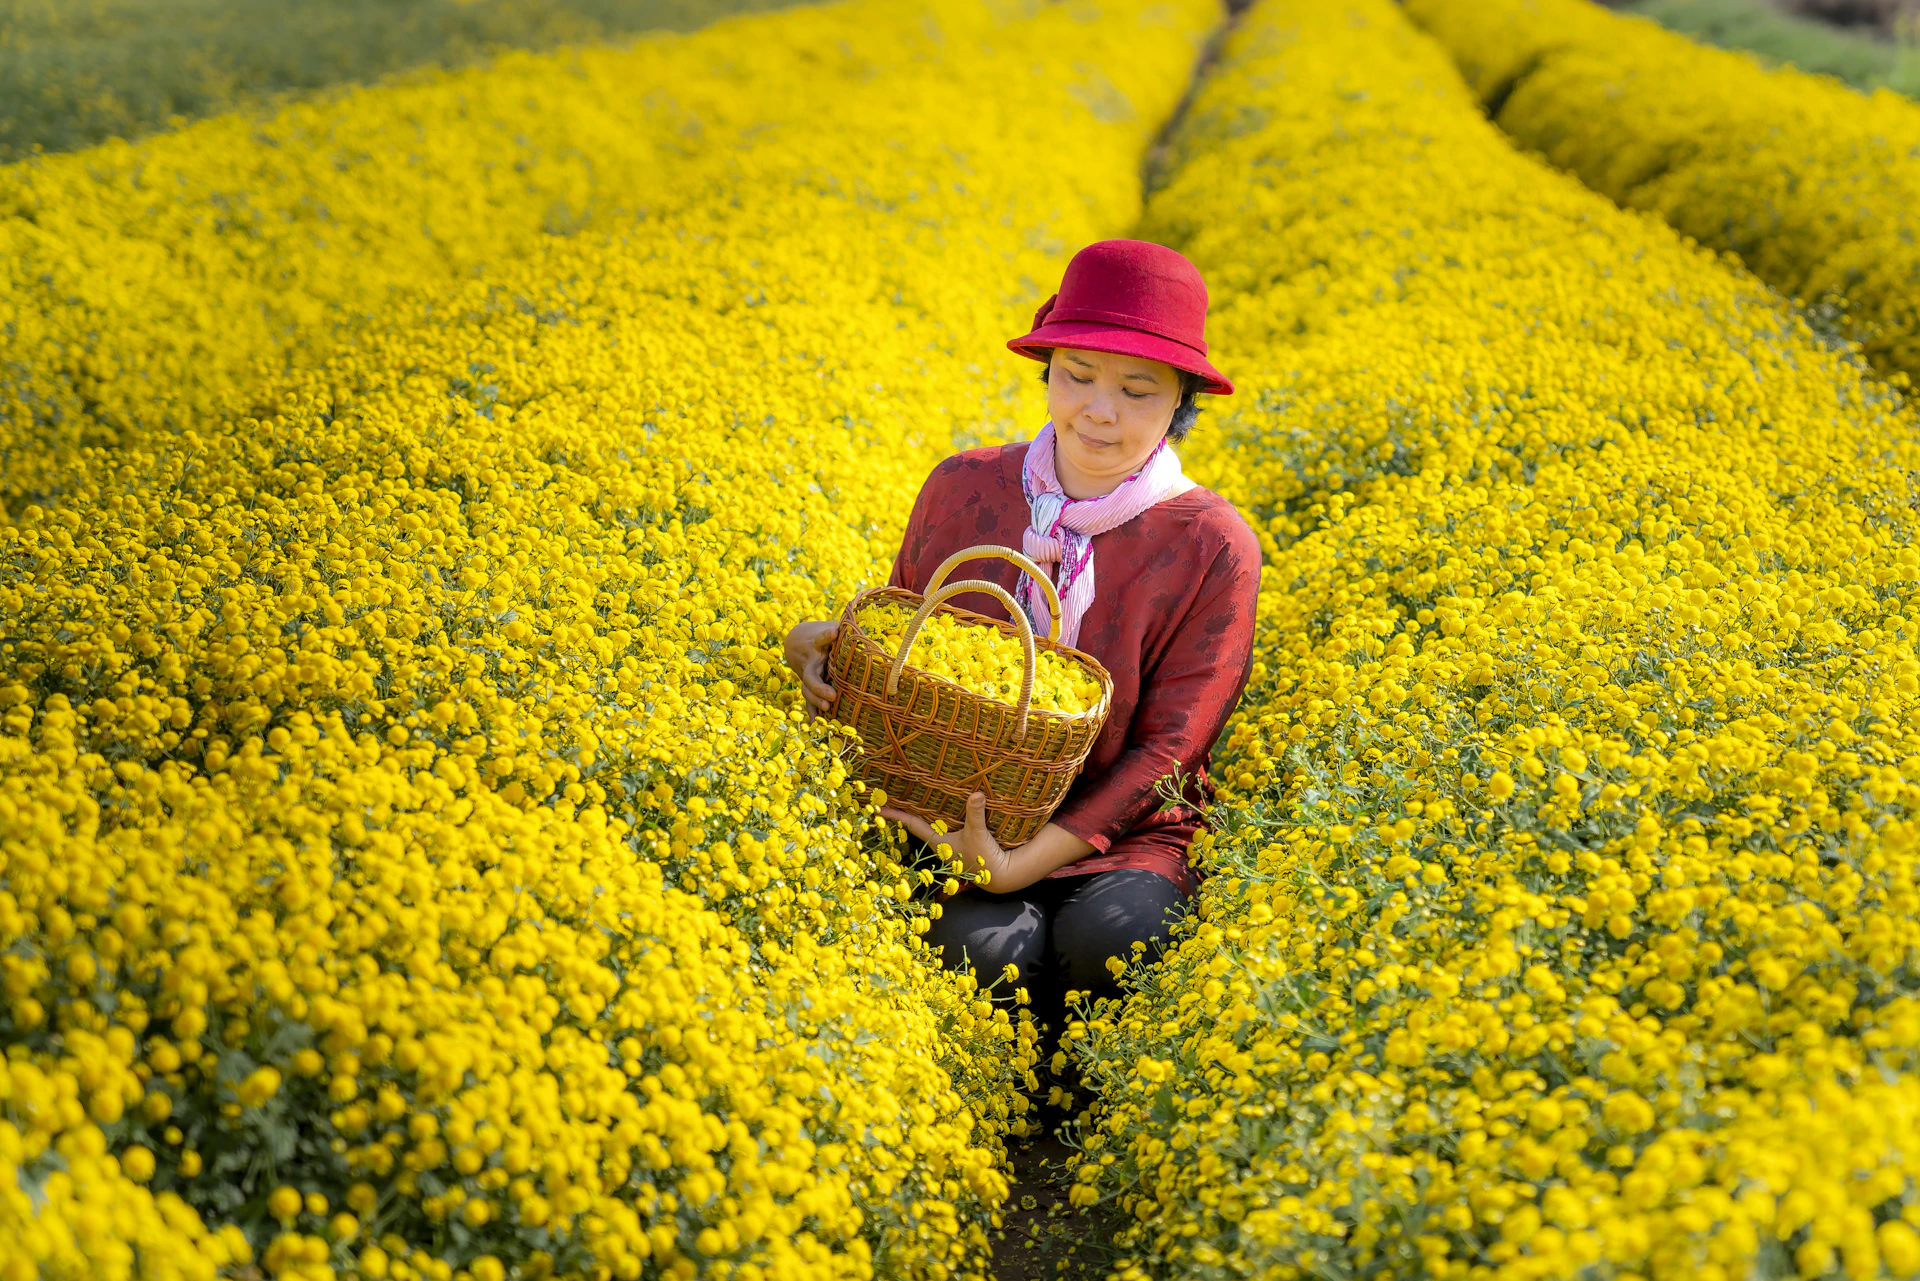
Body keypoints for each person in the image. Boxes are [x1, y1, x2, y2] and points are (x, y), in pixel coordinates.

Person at [782, 239, 1260, 1059]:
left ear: (1181, 400)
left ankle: (1083, 1095)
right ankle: (1006, 1091)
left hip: (1126, 826)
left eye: (1137, 390)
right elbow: (913, 635)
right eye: (1076, 375)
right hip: (957, 808)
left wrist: (1023, 863)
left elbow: (1173, 747)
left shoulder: (1213, 543)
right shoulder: (965, 486)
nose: (1098, 411)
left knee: (1113, 940)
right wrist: (820, 645)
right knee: (982, 951)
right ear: (1046, 372)